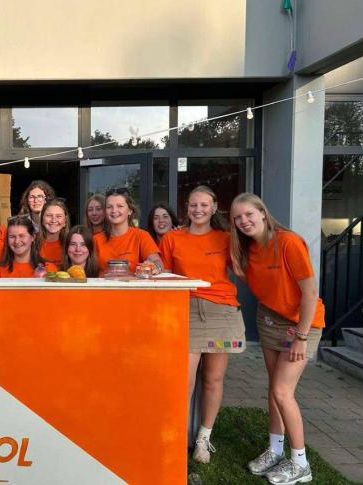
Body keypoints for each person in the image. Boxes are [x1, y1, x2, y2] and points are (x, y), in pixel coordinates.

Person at [230, 193, 324, 485]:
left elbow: (310, 292)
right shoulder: (246, 250)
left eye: (249, 214)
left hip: (302, 323)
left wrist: (301, 337)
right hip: (270, 320)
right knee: (274, 389)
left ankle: (300, 463)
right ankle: (275, 450)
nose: (244, 221)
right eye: (237, 218)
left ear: (262, 212)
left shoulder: (288, 242)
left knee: (283, 392)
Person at [158, 186, 245, 464]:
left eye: (204, 205)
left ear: (214, 207)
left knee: (213, 379)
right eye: (193, 205)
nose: (198, 210)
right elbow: (163, 276)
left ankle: (203, 439)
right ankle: (177, 437)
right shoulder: (172, 238)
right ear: (187, 207)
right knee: (184, 381)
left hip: (222, 311)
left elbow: (242, 270)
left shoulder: (226, 238)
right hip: (187, 310)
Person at [94, 188, 162, 276]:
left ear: (130, 211)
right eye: (109, 207)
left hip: (132, 284)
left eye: (120, 206)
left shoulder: (141, 236)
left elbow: (157, 261)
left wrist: (155, 267)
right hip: (103, 284)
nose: (114, 210)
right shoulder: (96, 239)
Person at [37, 198, 70, 267]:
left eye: (59, 216)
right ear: (42, 219)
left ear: (65, 221)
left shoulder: (71, 243)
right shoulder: (32, 242)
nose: (53, 220)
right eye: (49, 215)